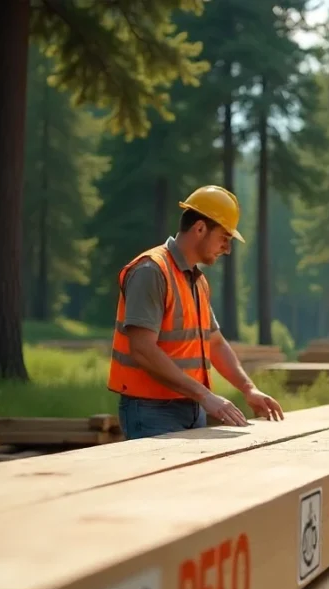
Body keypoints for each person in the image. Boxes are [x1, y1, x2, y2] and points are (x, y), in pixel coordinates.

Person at [107, 185, 284, 439]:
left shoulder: (196, 280)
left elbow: (215, 342)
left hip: (192, 407)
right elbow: (143, 349)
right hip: (150, 411)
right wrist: (205, 395)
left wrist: (248, 389)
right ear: (200, 228)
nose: (227, 248)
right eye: (224, 238)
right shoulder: (151, 271)